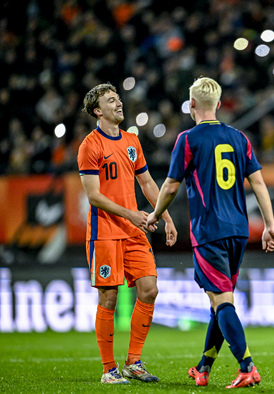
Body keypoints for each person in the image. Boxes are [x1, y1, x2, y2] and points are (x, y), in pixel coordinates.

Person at [146, 77, 274, 388]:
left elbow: (170, 185)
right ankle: (203, 368)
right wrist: (270, 224)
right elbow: (258, 183)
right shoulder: (239, 138)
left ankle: (247, 367)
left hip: (209, 231)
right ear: (219, 105)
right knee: (219, 302)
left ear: (191, 104)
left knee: (221, 301)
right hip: (238, 230)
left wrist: (154, 215)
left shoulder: (188, 139)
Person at [78, 83, 178, 384]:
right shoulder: (90, 146)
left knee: (149, 289)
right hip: (104, 232)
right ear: (98, 111)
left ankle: (134, 362)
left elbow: (147, 183)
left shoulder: (132, 140)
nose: (119, 103)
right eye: (111, 100)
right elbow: (94, 196)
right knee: (109, 298)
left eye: (119, 99)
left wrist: (165, 216)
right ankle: (109, 370)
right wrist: (132, 214)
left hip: (134, 231)